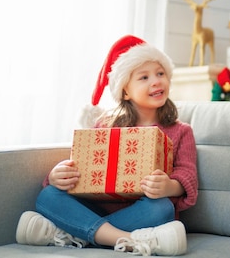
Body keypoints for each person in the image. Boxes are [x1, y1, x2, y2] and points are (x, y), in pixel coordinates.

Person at [15, 35, 198, 256]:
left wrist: (170, 186)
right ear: (125, 91)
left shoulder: (181, 130)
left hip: (143, 210)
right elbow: (82, 167)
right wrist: (57, 176)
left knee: (163, 208)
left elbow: (187, 174)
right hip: (97, 206)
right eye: (144, 77)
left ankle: (72, 235)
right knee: (48, 195)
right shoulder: (104, 126)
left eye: (161, 74)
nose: (156, 81)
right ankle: (129, 240)